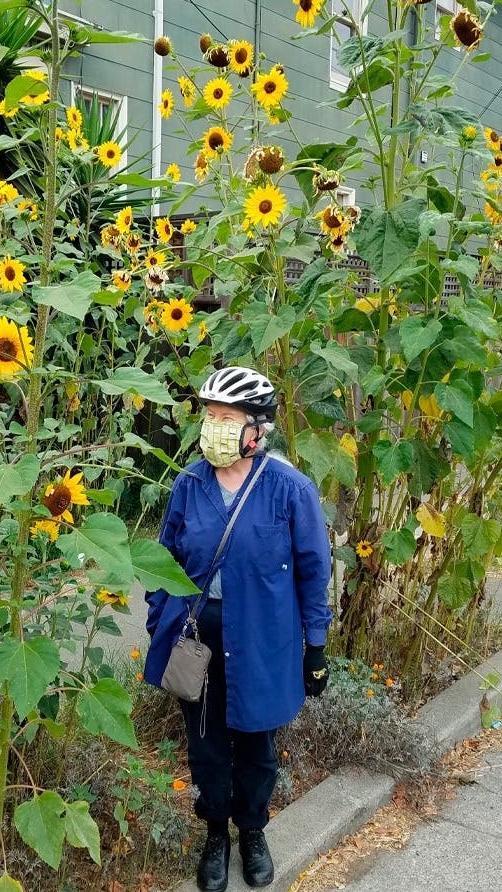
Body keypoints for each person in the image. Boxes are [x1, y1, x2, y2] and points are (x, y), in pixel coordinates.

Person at [143, 366, 333, 891]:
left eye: (226, 418)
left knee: (256, 744)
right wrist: (159, 621)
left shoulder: (289, 489)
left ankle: (252, 831)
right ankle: (214, 834)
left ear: (257, 428)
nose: (214, 427)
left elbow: (314, 570)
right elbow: (163, 557)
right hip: (198, 637)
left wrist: (315, 647)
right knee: (205, 744)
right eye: (209, 416)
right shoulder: (189, 484)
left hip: (263, 639)